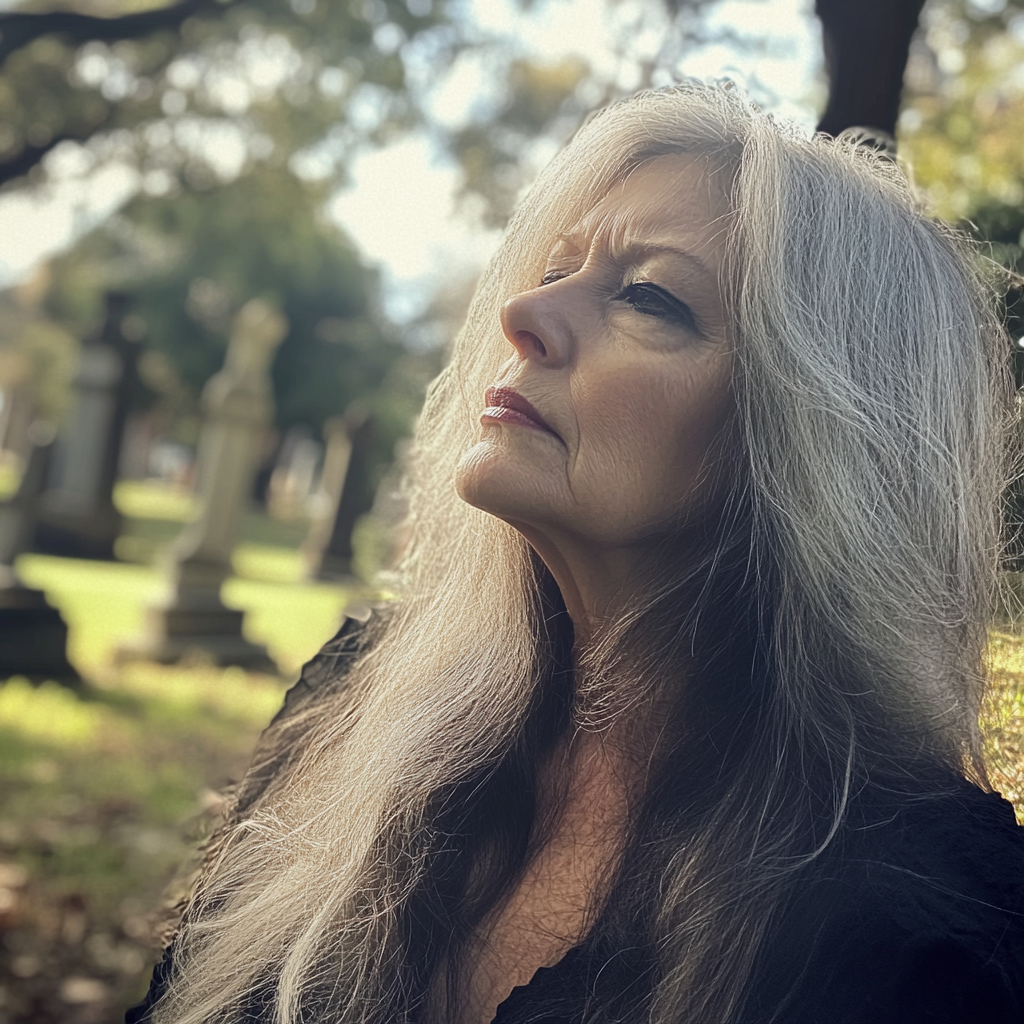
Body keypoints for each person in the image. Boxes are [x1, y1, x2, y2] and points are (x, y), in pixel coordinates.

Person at [127, 81, 1024, 1024]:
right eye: (555, 269)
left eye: (647, 296)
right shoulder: (350, 704)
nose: (524, 314)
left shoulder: (929, 927)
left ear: (817, 440)